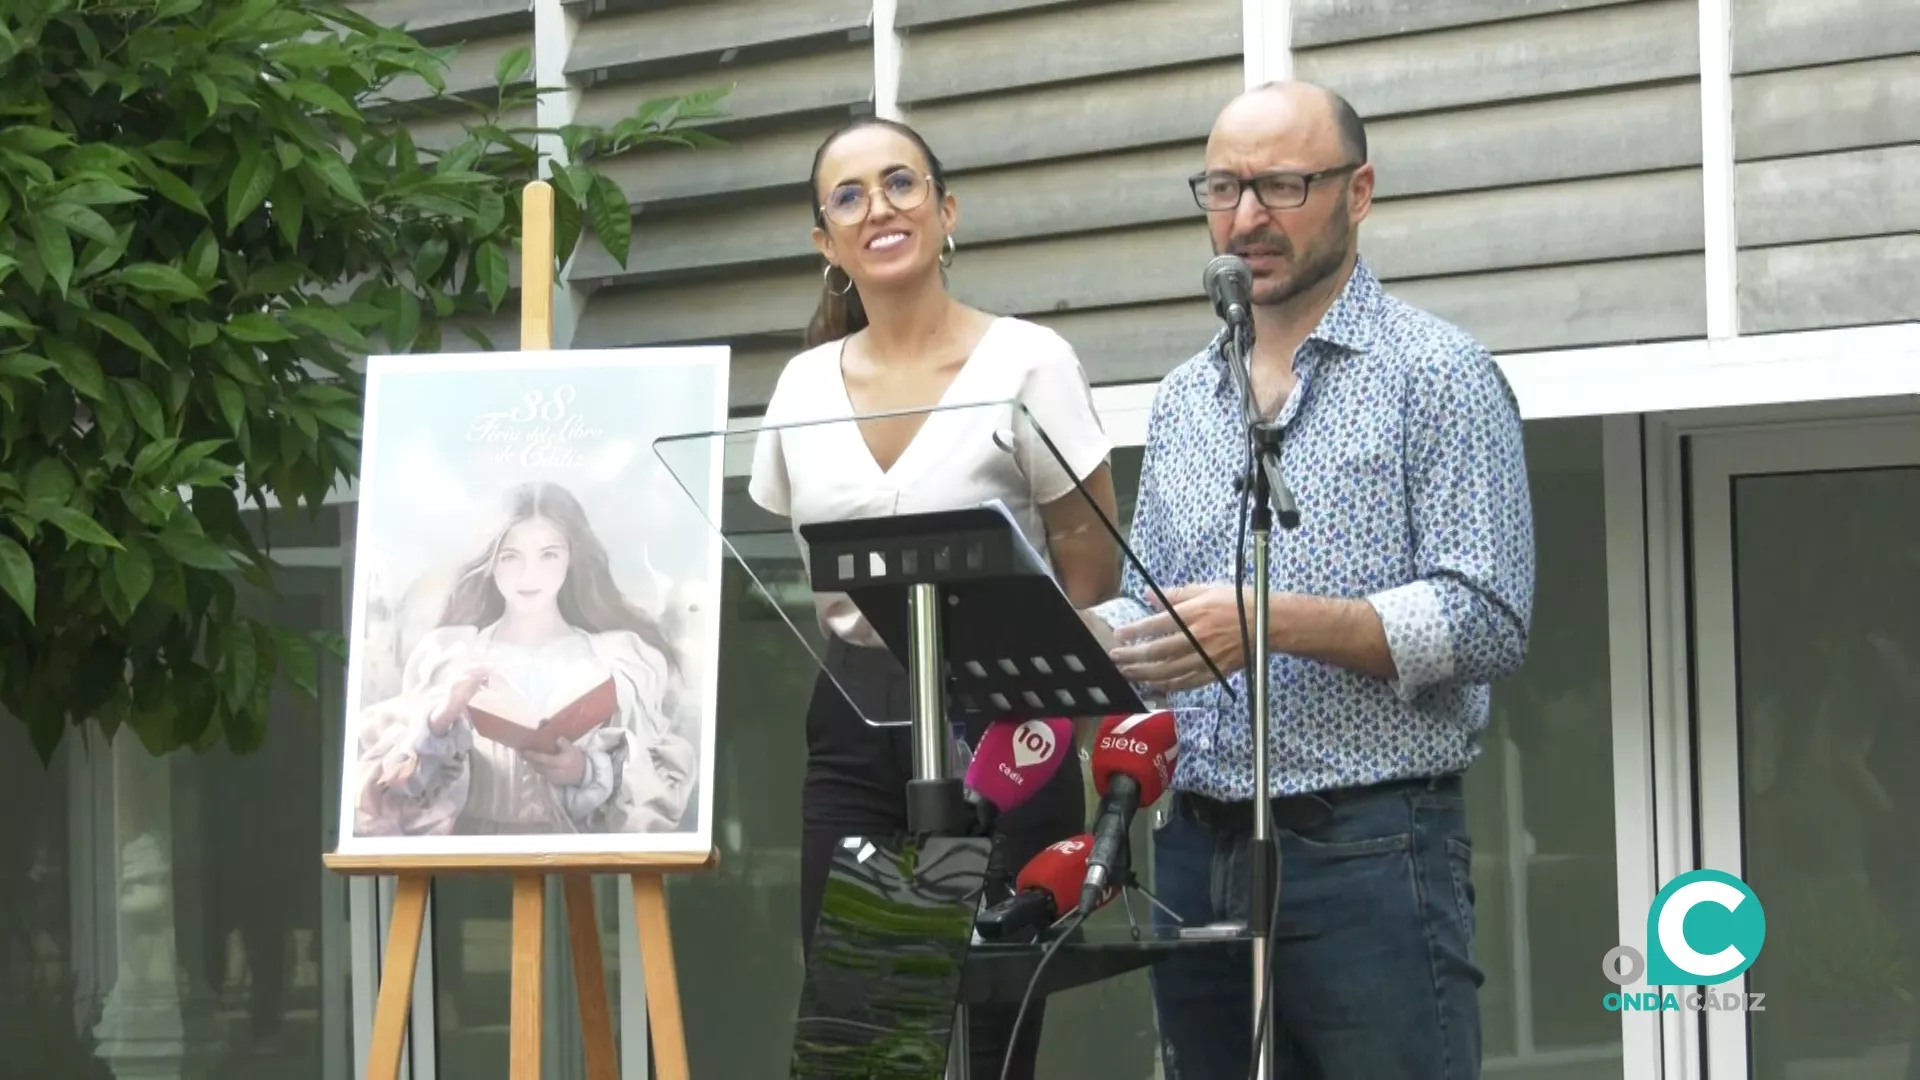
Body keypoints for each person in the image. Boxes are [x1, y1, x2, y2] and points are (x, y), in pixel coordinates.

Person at [1106, 81, 1536, 1078]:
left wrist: (1272, 621)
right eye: (1222, 187)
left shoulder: (1439, 372)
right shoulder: (1181, 399)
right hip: (1193, 850)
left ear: (1360, 191)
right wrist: (1062, 635)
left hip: (1372, 848)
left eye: (1282, 185)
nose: (1246, 217)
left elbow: (1487, 617)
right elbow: (1158, 608)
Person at [747, 116, 1121, 1076]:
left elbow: (1091, 566)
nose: (880, 207)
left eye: (902, 183)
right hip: (860, 721)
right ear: (825, 243)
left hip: (1003, 715)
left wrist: (1047, 707)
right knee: (868, 1044)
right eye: (850, 195)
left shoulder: (1028, 363)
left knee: (992, 1030)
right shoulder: (798, 386)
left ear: (946, 212)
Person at [353, 480, 696, 837]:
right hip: (472, 864)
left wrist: (584, 771)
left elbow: (659, 786)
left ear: (571, 558)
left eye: (548, 554)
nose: (528, 575)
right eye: (510, 556)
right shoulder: (448, 656)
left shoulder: (622, 660)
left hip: (579, 861)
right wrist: (440, 720)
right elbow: (389, 788)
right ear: (490, 562)